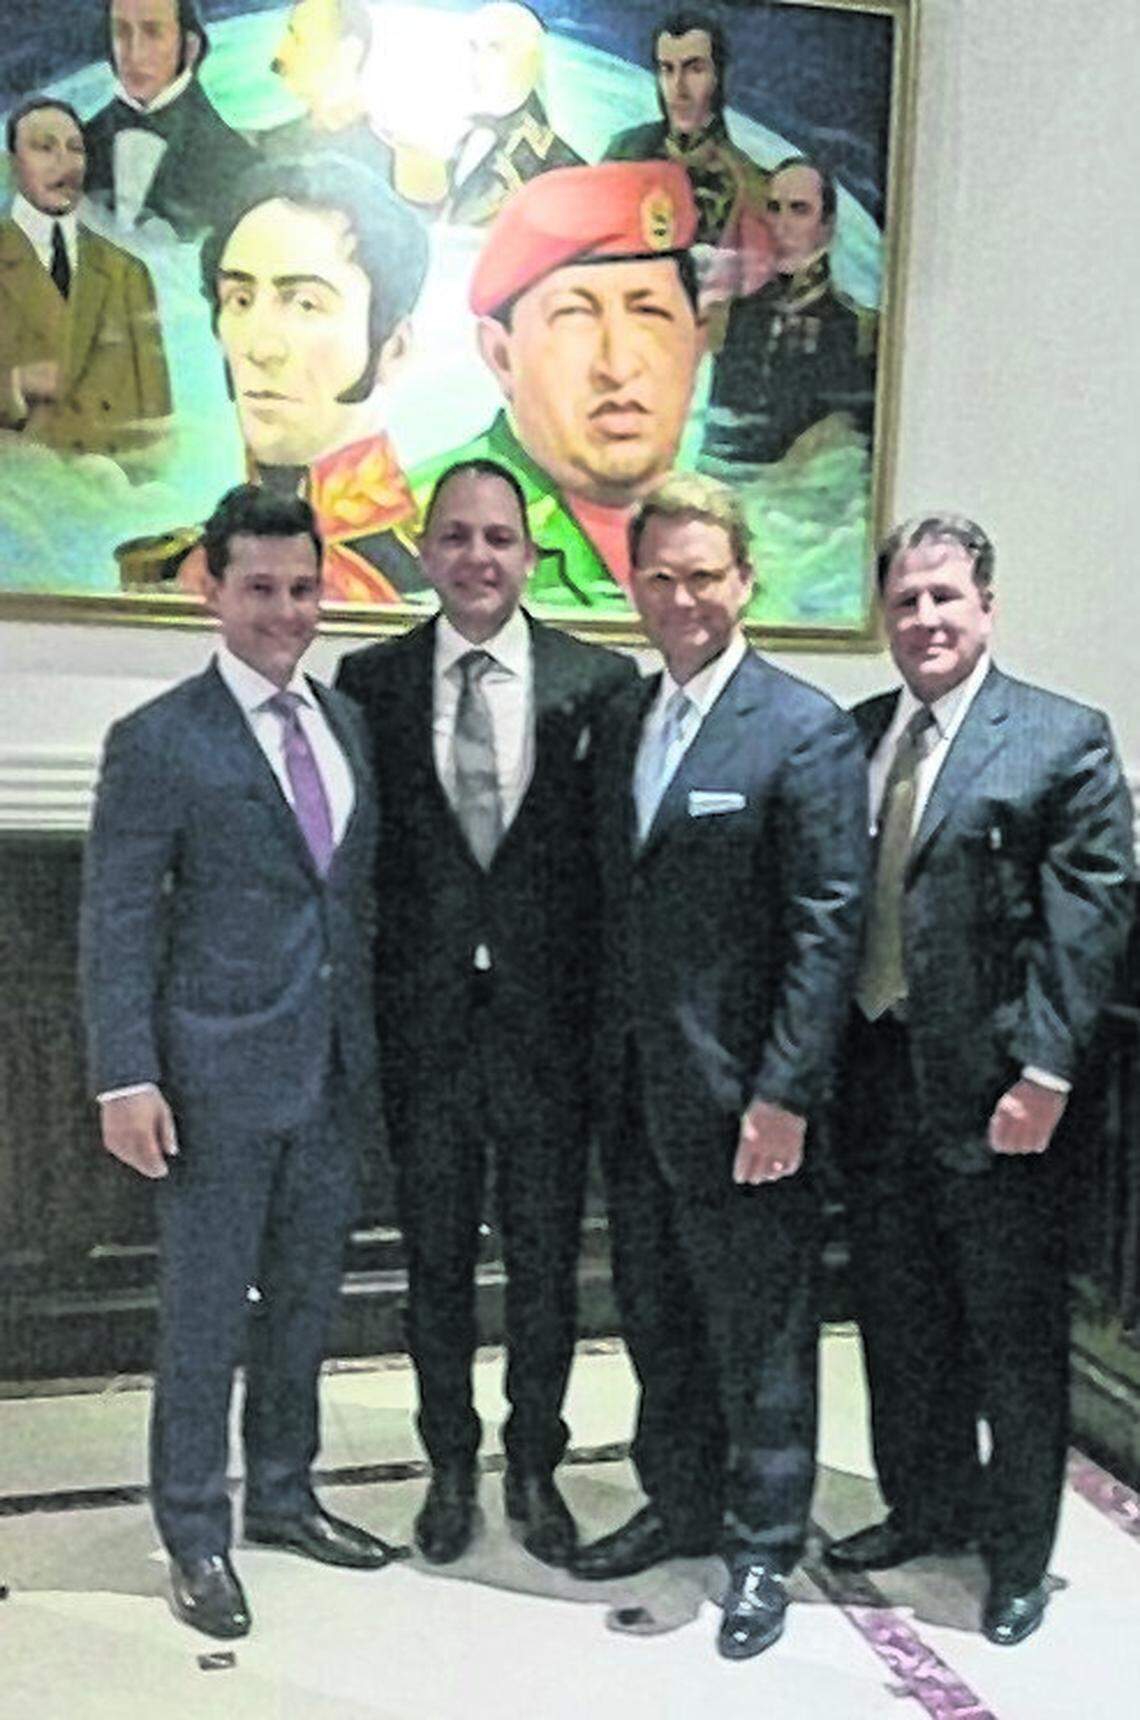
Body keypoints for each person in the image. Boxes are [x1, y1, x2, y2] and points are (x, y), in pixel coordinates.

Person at [80, 485, 404, 1641]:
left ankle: (281, 1492)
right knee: (203, 1317)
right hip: (211, 1081)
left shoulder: (345, 721)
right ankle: (194, 1531)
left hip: (329, 1073)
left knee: (306, 1307)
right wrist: (127, 1076)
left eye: (304, 588)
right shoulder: (160, 739)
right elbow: (116, 919)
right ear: (211, 589)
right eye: (259, 588)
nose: (285, 611)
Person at [570, 472, 868, 1661]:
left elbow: (827, 927)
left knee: (760, 1334)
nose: (681, 596)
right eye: (660, 575)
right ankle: (679, 1499)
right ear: (633, 584)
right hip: (637, 1094)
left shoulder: (803, 727)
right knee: (656, 1317)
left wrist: (786, 1091)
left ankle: (758, 1544)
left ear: (744, 581)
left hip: (751, 1104)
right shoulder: (624, 720)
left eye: (704, 574)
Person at [824, 514, 1135, 1648]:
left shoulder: (1061, 739)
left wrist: (1046, 1071)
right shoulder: (855, 737)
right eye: (906, 602)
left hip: (1005, 1098)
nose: (926, 620)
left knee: (1010, 1338)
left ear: (987, 607)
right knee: (901, 1321)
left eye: (946, 598)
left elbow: (1086, 927)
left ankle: (1015, 1557)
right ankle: (924, 1507)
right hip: (874, 1083)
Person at [335, 458, 638, 1569]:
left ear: (529, 551)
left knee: (549, 1263)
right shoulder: (367, 681)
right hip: (424, 1032)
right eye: (455, 536)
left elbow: (613, 873)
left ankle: (536, 1463)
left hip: (548, 1036)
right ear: (425, 550)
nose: (477, 557)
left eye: (498, 537)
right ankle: (449, 1463)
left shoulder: (598, 683)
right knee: (433, 1267)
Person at [118, 155, 429, 600]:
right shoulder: (176, 568)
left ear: (394, 346)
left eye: (305, 304)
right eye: (241, 300)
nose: (260, 348)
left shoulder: (430, 580)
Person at [410, 160, 705, 609]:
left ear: (698, 342)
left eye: (650, 313)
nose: (618, 366)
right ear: (501, 356)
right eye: (575, 317)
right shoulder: (410, 531)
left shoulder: (727, 538)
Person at [0, 96, 171, 468]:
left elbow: (157, 421)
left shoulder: (128, 273)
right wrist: (14, 385)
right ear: (13, 164)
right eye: (45, 147)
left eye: (75, 149)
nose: (66, 162)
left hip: (114, 500)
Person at [702, 155, 876, 468]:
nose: (781, 224)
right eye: (774, 208)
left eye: (799, 210)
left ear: (826, 225)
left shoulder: (854, 328)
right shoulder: (734, 315)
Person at [603, 11, 770, 271]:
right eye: (667, 69)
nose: (678, 89)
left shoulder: (749, 183)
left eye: (694, 69)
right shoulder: (624, 152)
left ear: (719, 77)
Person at [83, 0, 256, 238]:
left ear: (190, 47)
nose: (135, 53)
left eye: (153, 32)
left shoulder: (236, 165)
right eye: (121, 32)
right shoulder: (80, 143)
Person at [442, 2, 582, 227]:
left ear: (530, 60)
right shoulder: (465, 136)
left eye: (495, 48)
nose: (479, 63)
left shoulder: (564, 173)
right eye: (474, 47)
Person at [260, 0, 396, 190]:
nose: (278, 57)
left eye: (298, 40)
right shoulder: (275, 146)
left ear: (349, 52)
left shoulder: (396, 161)